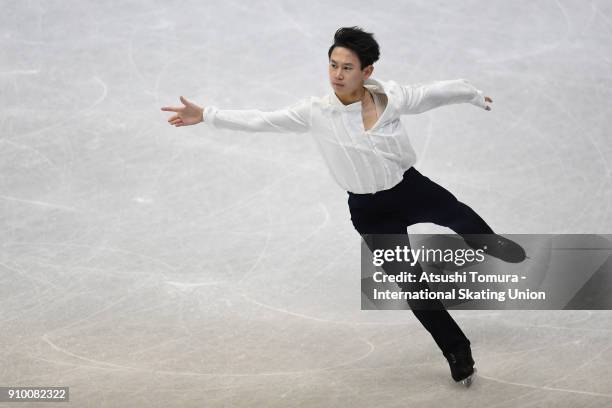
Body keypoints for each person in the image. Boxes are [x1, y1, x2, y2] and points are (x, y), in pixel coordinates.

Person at [161, 26, 499, 386]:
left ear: (367, 71)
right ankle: (456, 351)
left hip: (409, 188)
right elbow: (262, 119)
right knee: (411, 284)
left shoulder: (390, 97)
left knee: (458, 215)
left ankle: (492, 246)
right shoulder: (316, 112)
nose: (337, 74)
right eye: (333, 65)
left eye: (347, 67)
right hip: (370, 213)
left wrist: (474, 95)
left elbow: (438, 92)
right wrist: (208, 114)